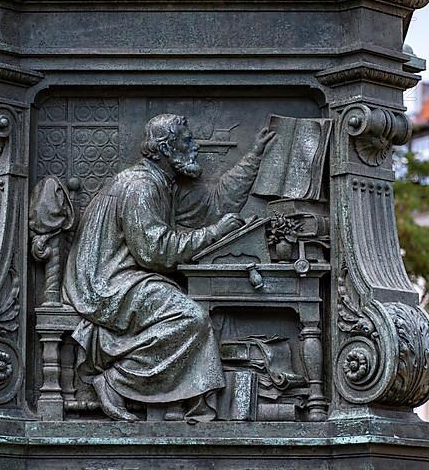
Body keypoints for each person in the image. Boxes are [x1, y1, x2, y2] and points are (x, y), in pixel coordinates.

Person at [62, 114, 275, 421]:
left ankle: (179, 400)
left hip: (128, 276)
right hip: (107, 284)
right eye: (187, 141)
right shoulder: (141, 186)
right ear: (165, 149)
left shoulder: (165, 183)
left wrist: (254, 156)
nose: (195, 146)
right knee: (191, 318)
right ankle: (115, 382)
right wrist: (215, 233)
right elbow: (155, 252)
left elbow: (214, 205)